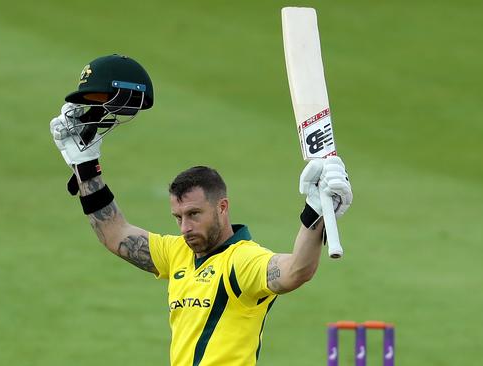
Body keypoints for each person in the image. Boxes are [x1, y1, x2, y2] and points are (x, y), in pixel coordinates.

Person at [50, 54, 353, 366]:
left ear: (222, 208)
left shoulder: (242, 261)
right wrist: (87, 169)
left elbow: (296, 271)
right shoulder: (178, 252)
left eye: (194, 215)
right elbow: (115, 234)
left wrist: (314, 211)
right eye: (178, 218)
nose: (185, 228)